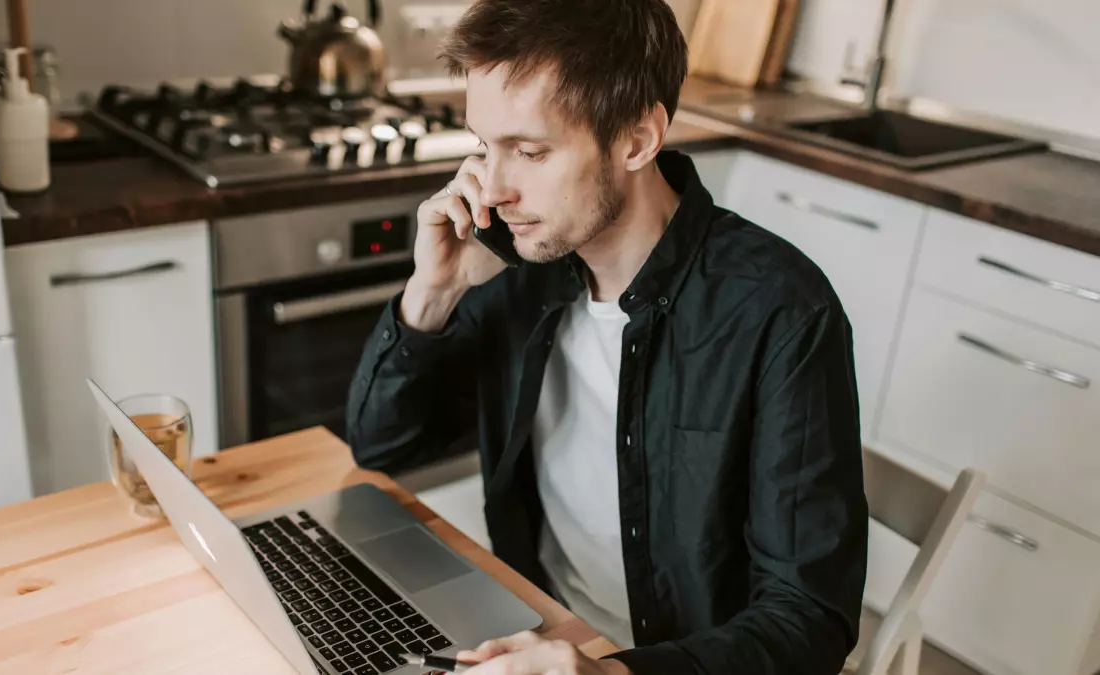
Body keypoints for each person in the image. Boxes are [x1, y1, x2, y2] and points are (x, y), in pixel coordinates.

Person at [346, 0, 869, 673]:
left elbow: (808, 619)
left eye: (529, 150)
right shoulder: (513, 264)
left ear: (636, 139)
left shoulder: (781, 311)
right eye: (484, 145)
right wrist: (433, 292)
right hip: (534, 631)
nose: (494, 189)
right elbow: (381, 444)